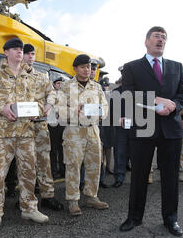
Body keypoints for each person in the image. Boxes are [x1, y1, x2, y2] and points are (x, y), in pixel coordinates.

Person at [119, 26, 183, 236]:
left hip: (171, 129)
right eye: (156, 36)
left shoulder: (177, 66)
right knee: (140, 175)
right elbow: (127, 94)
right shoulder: (132, 67)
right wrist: (155, 100)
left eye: (164, 38)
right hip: (143, 127)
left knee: (170, 177)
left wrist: (174, 106)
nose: (160, 40)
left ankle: (171, 219)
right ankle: (134, 217)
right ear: (146, 41)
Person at [0, 37, 49, 235]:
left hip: (25, 133)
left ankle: (29, 209)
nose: (19, 52)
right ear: (6, 52)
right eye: (15, 49)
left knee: (28, 172)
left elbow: (40, 101)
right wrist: (1, 108)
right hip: (1, 135)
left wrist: (38, 110)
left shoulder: (30, 77)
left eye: (21, 49)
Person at [58, 54, 109, 216]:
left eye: (88, 67)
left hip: (93, 130)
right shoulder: (66, 87)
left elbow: (105, 107)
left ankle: (91, 196)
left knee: (94, 164)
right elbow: (58, 110)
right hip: (74, 130)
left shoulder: (96, 87)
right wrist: (74, 111)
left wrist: (102, 114)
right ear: (75, 69)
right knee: (73, 166)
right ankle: (73, 200)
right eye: (83, 67)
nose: (87, 70)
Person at [23, 43, 63, 211]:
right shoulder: (14, 76)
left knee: (44, 162)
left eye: (32, 54)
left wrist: (49, 105)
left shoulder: (41, 77)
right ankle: (26, 200)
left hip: (40, 126)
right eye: (27, 54)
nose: (30, 57)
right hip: (21, 126)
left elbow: (51, 93)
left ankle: (48, 196)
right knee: (25, 164)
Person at [112, 74, 130, 188]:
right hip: (121, 127)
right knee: (120, 152)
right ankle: (119, 177)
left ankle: (139, 177)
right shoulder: (116, 92)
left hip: (136, 126)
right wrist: (118, 118)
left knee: (137, 153)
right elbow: (111, 109)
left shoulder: (138, 90)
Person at [48, 77, 65, 179]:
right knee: (53, 149)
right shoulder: (50, 95)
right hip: (52, 124)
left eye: (61, 83)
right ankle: (53, 171)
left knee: (62, 148)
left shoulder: (65, 96)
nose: (60, 85)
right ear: (54, 85)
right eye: (58, 83)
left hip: (62, 125)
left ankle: (63, 170)